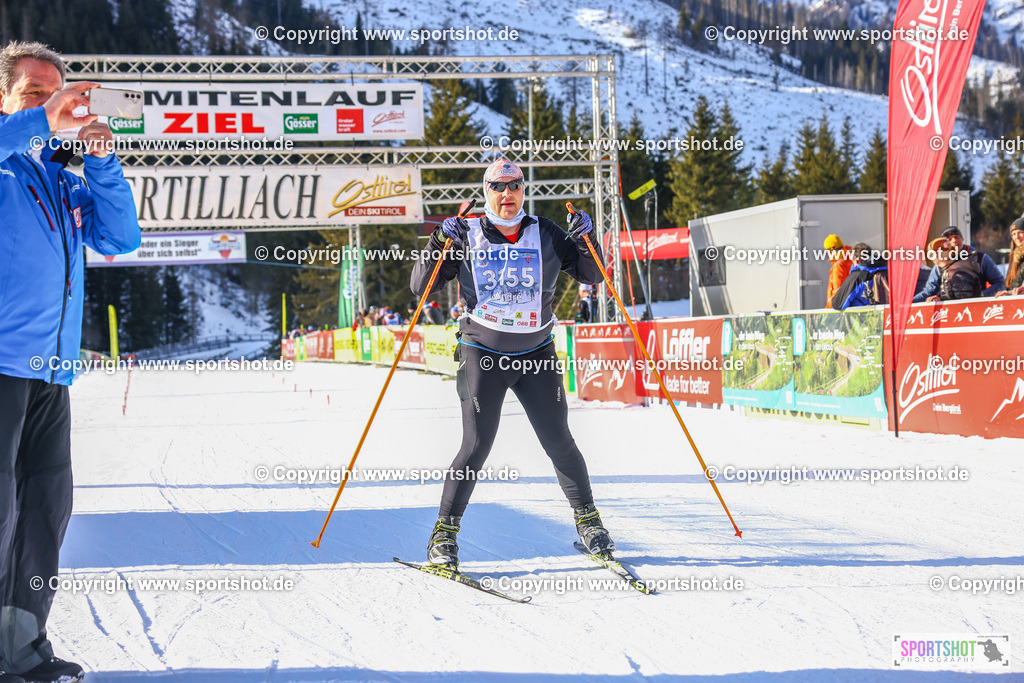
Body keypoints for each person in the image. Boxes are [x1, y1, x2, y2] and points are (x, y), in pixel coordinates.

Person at [0, 42, 141, 683]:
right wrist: (42, 120)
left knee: (42, 515)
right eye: (35, 93)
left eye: (58, 93)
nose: (52, 104)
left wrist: (102, 162)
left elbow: (120, 238)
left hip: (49, 373)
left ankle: (20, 651)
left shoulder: (62, 179)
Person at [410, 158, 613, 569]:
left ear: (523, 189)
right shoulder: (465, 234)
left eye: (515, 185)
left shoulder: (546, 232)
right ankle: (444, 533)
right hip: (482, 354)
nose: (508, 194)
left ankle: (589, 522)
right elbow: (421, 286)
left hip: (536, 354)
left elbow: (593, 275)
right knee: (476, 445)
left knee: (558, 440)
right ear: (486, 191)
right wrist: (438, 241)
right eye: (498, 186)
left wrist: (587, 239)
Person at [913, 226, 1004, 302]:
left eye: (957, 237)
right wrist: (908, 302)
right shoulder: (940, 265)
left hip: (977, 309)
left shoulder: (981, 259)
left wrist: (982, 296)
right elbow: (928, 292)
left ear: (962, 238)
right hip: (949, 311)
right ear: (944, 244)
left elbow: (1000, 283)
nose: (954, 240)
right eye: (950, 239)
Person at [831, 243, 889, 310]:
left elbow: (837, 304)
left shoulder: (856, 277)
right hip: (888, 314)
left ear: (856, 260)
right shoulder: (887, 271)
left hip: (863, 315)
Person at [995, 217, 1024, 297]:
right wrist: (1006, 293)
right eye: (1013, 234)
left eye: (1021, 232)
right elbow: (1012, 286)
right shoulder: (1014, 258)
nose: (1017, 237)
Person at [823, 234, 854, 308]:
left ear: (830, 251)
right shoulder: (852, 259)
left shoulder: (838, 266)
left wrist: (828, 309)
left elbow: (837, 293)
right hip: (852, 305)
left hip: (839, 309)